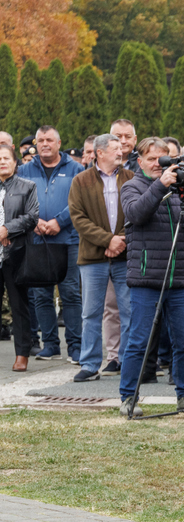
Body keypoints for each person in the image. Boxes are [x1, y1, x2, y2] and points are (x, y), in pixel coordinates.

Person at [119, 137, 184, 417]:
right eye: (152, 159)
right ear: (140, 161)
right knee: (139, 340)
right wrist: (161, 185)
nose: (158, 165)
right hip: (146, 277)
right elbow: (136, 214)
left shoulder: (178, 189)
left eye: (164, 159)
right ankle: (128, 397)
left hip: (179, 277)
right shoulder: (131, 186)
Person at [67, 134, 133, 383]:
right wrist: (108, 241)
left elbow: (138, 212)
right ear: (100, 153)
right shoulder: (80, 180)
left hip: (124, 255)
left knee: (129, 311)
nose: (120, 151)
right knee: (91, 313)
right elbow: (78, 218)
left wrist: (120, 240)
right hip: (93, 258)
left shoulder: (130, 178)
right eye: (115, 148)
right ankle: (90, 364)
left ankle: (127, 361)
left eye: (121, 148)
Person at [17, 125, 85, 362]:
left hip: (68, 239)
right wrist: (33, 220)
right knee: (41, 294)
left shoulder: (76, 169)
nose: (45, 144)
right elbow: (18, 201)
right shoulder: (24, 170)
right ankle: (50, 345)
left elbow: (80, 201)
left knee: (70, 293)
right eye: (41, 140)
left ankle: (76, 346)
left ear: (58, 143)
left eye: (49, 140)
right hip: (36, 239)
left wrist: (60, 221)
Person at [0, 143, 39, 371]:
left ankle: (22, 354)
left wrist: (7, 230)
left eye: (6, 158)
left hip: (16, 253)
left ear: (15, 163)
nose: (2, 162)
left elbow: (32, 217)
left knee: (19, 305)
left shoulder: (27, 186)